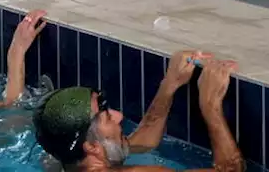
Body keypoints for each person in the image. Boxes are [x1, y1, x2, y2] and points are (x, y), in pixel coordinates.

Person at [34, 53, 243, 171]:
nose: (119, 115)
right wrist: (210, 106)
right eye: (106, 116)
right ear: (92, 147)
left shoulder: (61, 160)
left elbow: (143, 141)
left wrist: (169, 85)